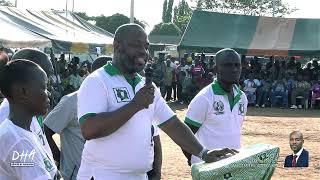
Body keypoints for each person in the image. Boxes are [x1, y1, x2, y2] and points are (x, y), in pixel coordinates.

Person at [77, 24, 237, 180]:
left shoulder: (146, 85)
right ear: (117, 46)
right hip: (102, 174)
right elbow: (89, 130)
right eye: (136, 45)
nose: (143, 52)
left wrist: (203, 153)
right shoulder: (97, 81)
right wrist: (135, 105)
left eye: (146, 47)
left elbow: (172, 124)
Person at [183, 48, 248, 165]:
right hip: (208, 169)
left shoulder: (242, 97)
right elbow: (185, 136)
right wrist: (195, 160)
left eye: (237, 65)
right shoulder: (204, 98)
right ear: (216, 69)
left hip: (234, 166)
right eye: (228, 65)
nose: (234, 69)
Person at [0, 59, 58, 179]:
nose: (49, 93)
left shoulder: (24, 131)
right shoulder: (17, 140)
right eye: (44, 87)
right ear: (23, 92)